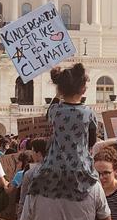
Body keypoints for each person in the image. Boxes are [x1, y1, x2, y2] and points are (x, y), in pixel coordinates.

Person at [28, 63, 98, 202]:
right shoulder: (88, 113)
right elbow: (92, 141)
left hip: (53, 167)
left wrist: (57, 94)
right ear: (83, 90)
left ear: (60, 90)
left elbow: (49, 112)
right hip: (81, 166)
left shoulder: (55, 111)